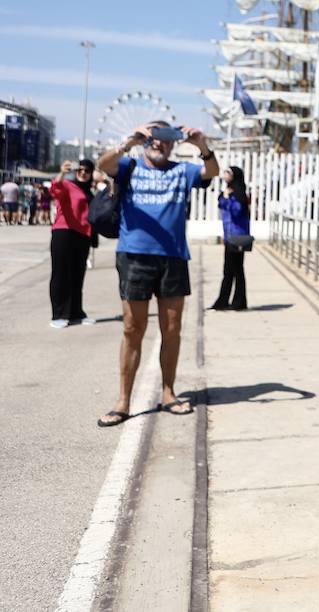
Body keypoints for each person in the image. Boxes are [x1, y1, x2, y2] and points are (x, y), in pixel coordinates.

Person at [95, 122, 218, 427]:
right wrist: (129, 142)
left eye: (165, 140)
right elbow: (103, 164)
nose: (159, 144)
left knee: (172, 328)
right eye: (153, 139)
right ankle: (123, 400)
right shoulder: (129, 165)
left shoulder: (183, 171)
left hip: (173, 258)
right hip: (134, 255)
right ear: (145, 140)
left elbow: (211, 172)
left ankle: (168, 392)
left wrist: (202, 145)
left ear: (173, 144)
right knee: (132, 328)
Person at [49, 159, 96, 328]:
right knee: (61, 274)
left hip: (83, 236)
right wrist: (62, 172)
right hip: (64, 232)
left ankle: (76, 313)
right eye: (80, 170)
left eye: (87, 170)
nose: (83, 173)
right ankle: (58, 314)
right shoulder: (68, 185)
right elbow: (55, 190)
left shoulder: (90, 192)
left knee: (77, 276)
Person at [210, 166, 251, 311]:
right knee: (229, 270)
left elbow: (237, 211)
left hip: (237, 236)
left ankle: (236, 301)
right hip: (229, 236)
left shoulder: (239, 193)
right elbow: (221, 205)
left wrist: (227, 198)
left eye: (228, 173)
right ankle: (226, 301)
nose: (225, 175)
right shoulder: (228, 192)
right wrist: (225, 197)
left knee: (235, 270)